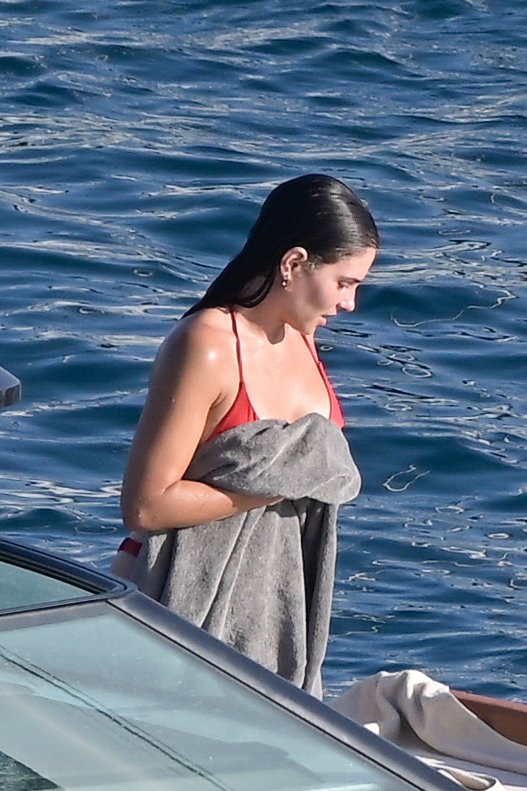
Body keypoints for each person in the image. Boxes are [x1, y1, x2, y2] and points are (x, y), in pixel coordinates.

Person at [115, 173, 379, 696]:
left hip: (277, 607)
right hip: (176, 595)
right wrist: (277, 486)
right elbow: (145, 506)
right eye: (345, 283)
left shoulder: (302, 337)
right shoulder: (208, 345)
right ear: (294, 263)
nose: (351, 303)